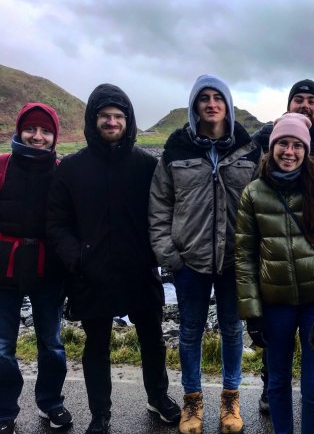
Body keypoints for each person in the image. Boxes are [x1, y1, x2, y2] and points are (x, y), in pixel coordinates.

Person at [46, 84, 179, 434]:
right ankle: (99, 415)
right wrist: (77, 259)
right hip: (92, 273)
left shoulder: (146, 166)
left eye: (118, 115)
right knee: (97, 345)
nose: (111, 121)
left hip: (139, 270)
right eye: (105, 115)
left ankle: (158, 396)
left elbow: (164, 213)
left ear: (128, 120)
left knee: (153, 338)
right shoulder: (71, 168)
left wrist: (156, 256)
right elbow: (57, 222)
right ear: (94, 119)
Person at [149, 74, 261, 434]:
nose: (211, 104)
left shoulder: (249, 149)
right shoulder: (176, 150)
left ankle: (231, 400)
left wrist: (255, 255)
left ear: (227, 105)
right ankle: (192, 402)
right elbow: (159, 206)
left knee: (232, 330)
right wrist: (170, 256)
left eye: (218, 98)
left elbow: (264, 204)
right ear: (195, 106)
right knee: (190, 332)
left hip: (234, 260)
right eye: (204, 98)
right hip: (189, 261)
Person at [235, 112, 314, 434]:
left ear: (305, 149)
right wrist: (252, 314)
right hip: (275, 304)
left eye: (297, 145)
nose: (289, 151)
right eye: (283, 144)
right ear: (272, 147)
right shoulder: (254, 193)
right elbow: (245, 257)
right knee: (276, 383)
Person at [251, 78, 314, 415]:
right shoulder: (268, 141)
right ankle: (271, 389)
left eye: (311, 100)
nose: (304, 105)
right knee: (277, 337)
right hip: (277, 257)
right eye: (298, 99)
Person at [0, 103, 71, 434]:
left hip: (48, 271)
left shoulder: (62, 171)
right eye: (31, 129)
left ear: (54, 136)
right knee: (1, 347)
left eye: (46, 131)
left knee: (52, 344)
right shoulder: (1, 166)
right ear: (19, 130)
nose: (37, 136)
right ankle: (4, 411)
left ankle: (51, 403)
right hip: (4, 269)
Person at [252, 79, 314, 164]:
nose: (305, 105)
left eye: (311, 102)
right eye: (298, 100)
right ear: (288, 107)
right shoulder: (265, 135)